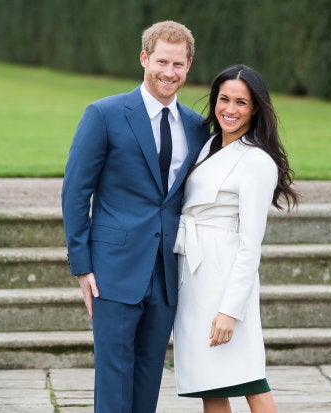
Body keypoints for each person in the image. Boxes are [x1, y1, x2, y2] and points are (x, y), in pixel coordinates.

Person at [61, 21, 208, 412]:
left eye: (178, 64)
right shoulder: (104, 114)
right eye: (162, 61)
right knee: (113, 378)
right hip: (112, 269)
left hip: (166, 273)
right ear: (144, 58)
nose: (169, 72)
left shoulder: (196, 127)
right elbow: (76, 192)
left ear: (189, 65)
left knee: (149, 378)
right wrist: (82, 265)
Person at [172, 64, 299, 412]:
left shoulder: (256, 161)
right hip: (193, 275)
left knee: (249, 379)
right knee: (209, 383)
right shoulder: (207, 144)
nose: (230, 109)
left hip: (225, 276)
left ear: (255, 107)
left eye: (241, 102)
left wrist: (230, 310)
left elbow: (250, 242)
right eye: (224, 99)